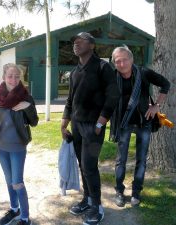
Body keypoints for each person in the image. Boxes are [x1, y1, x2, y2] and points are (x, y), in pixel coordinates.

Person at [61, 32, 120, 225]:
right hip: (77, 126)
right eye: (74, 42)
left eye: (81, 41)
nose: (76, 44)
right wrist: (64, 122)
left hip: (93, 127)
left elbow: (113, 96)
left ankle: (97, 206)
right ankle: (87, 199)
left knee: (89, 166)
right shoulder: (75, 71)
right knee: (82, 165)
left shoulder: (103, 67)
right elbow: (70, 99)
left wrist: (100, 122)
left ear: (92, 45)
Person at [109, 46, 170, 207]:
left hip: (144, 121)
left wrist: (156, 106)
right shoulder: (112, 76)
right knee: (121, 160)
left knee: (141, 160)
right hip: (123, 123)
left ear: (131, 59)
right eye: (117, 61)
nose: (121, 64)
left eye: (124, 59)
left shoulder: (143, 73)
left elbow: (165, 84)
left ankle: (136, 192)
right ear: (114, 63)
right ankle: (119, 192)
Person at [0, 63, 38, 225]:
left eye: (17, 76)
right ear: (3, 77)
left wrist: (28, 107)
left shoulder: (26, 97)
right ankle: (14, 208)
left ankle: (25, 218)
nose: (14, 79)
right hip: (1, 145)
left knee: (17, 182)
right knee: (9, 180)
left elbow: (34, 122)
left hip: (17, 146)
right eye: (10, 76)